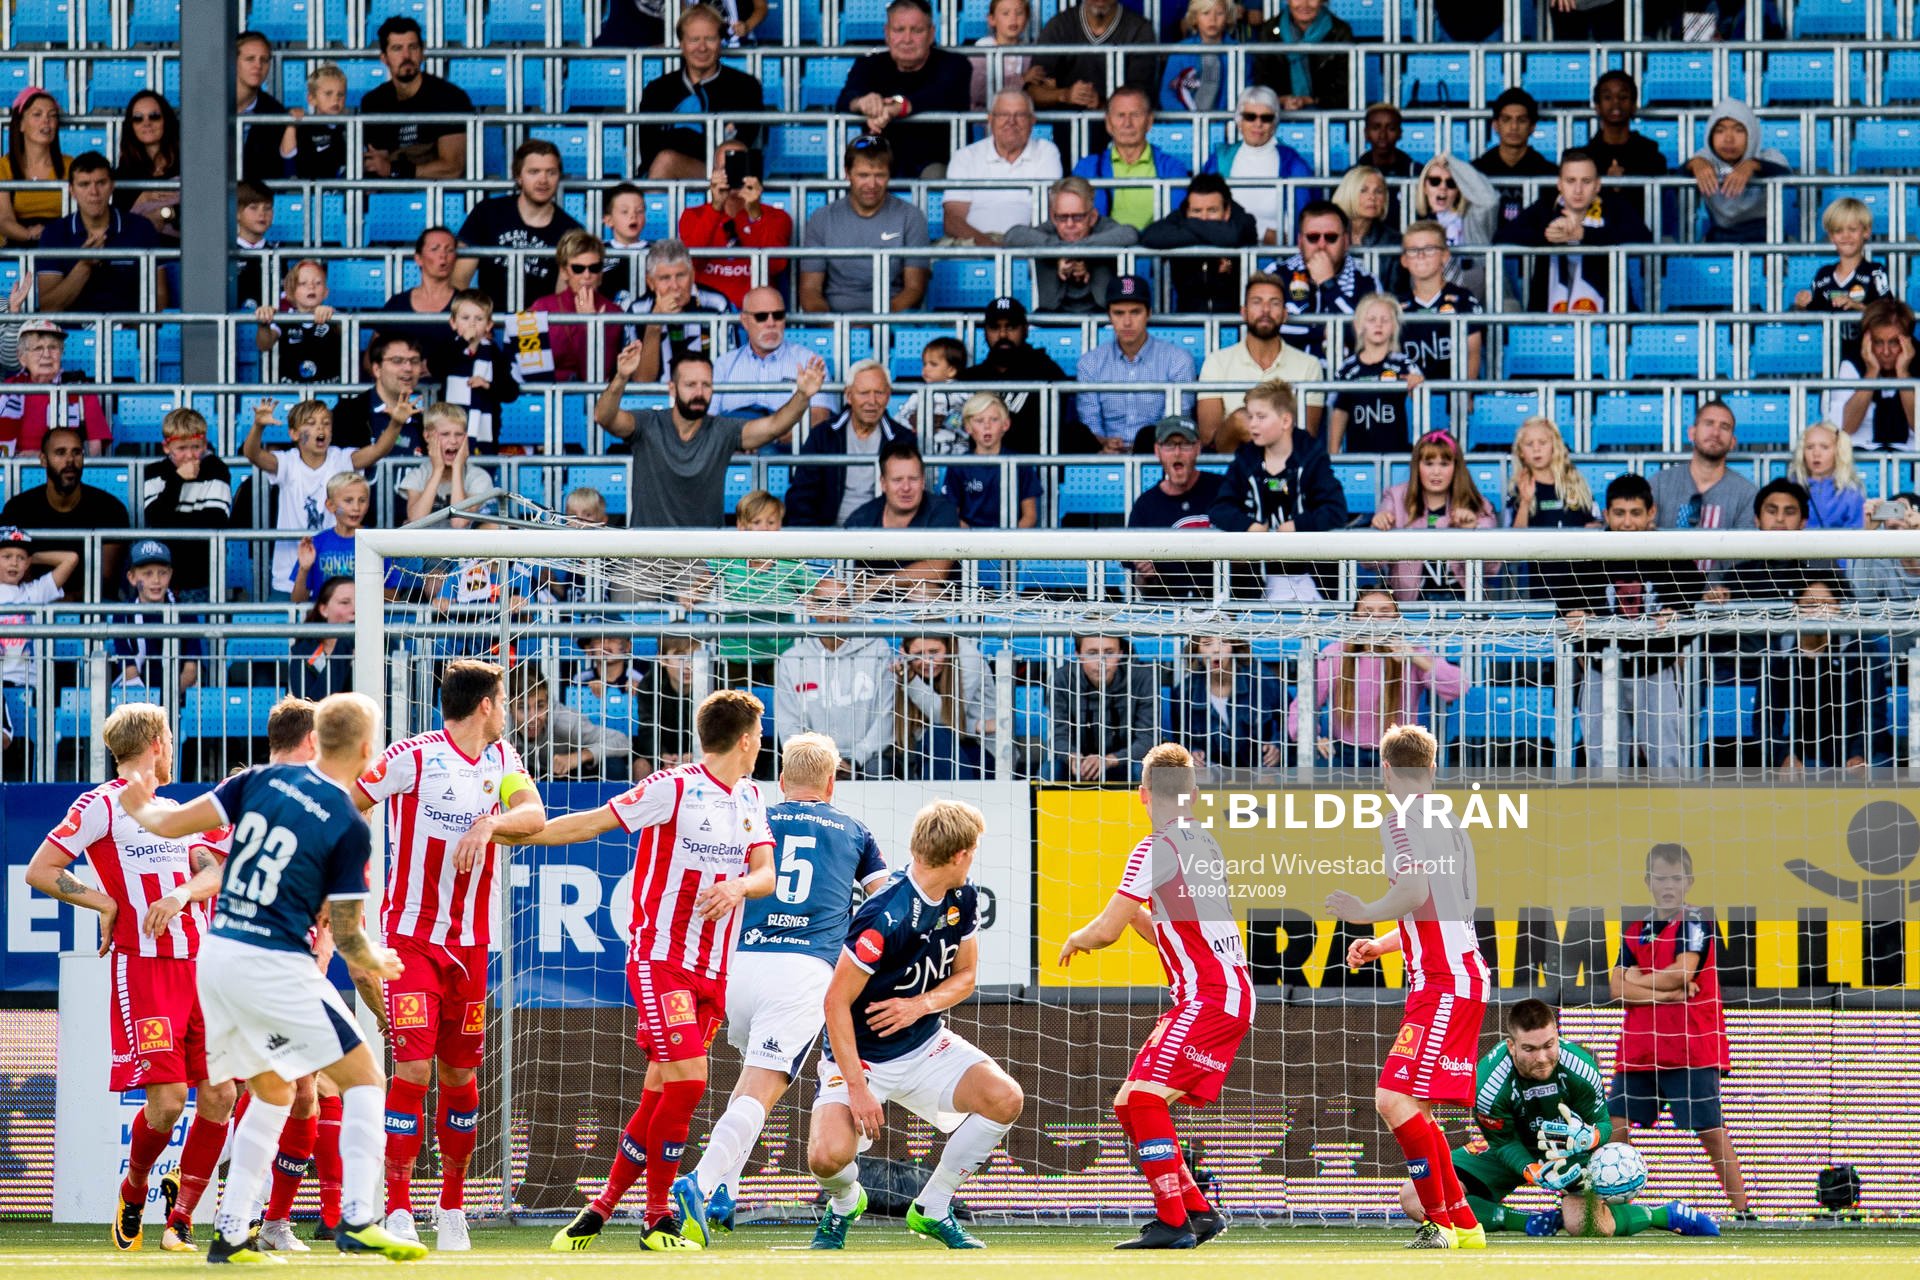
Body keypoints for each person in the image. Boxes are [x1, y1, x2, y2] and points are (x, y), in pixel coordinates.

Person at [113, 693, 428, 1263]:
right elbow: (351, 934)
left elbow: (167, 824)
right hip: (274, 962)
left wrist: (139, 807)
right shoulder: (346, 822)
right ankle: (358, 1218)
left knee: (273, 1089)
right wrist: (377, 960)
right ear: (363, 748)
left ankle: (231, 1231)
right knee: (365, 1079)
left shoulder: (253, 782)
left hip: (217, 959)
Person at [534, 690, 774, 1254]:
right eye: (759, 735)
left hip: (714, 971)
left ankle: (600, 1209)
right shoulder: (673, 786)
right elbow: (593, 822)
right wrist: (512, 832)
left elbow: (763, 873)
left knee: (660, 1094)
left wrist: (737, 884)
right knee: (689, 1082)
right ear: (744, 739)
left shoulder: (751, 796)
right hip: (660, 958)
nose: (762, 743)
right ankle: (658, 1217)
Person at [19, 702, 234, 1251]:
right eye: (169, 736)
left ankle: (181, 1219)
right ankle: (134, 1187)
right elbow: (41, 869)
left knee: (220, 1094)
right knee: (167, 1103)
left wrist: (183, 891)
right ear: (158, 742)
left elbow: (214, 872)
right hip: (144, 968)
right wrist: (104, 903)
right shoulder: (101, 805)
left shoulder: (173, 810)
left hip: (202, 969)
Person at [352, 661, 547, 1248]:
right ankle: (397, 1208)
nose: (508, 708)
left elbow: (534, 816)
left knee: (460, 1073)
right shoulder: (412, 755)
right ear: (485, 704)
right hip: (411, 939)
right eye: (504, 698)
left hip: (472, 944)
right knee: (411, 1069)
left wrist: (490, 824)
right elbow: (351, 798)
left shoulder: (503, 760)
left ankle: (453, 1207)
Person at [670, 732, 894, 1240]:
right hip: (801, 971)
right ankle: (701, 1182)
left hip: (738, 966)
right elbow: (886, 901)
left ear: (781, 780)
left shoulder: (757, 817)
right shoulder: (856, 830)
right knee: (762, 1090)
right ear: (832, 783)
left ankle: (726, 1187)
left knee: (749, 1083)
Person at [804, 800, 1022, 1251]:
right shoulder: (885, 915)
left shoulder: (962, 896)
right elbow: (834, 1002)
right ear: (960, 854)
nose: (974, 858)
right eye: (975, 849)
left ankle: (932, 1208)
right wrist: (859, 1088)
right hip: (862, 1057)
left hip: (924, 1047)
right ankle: (845, 1203)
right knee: (826, 1158)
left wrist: (918, 1005)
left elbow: (966, 978)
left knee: (1006, 1098)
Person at [1058, 741, 1247, 1248]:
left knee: (1143, 1100)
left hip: (1210, 994)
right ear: (1195, 793)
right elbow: (1165, 927)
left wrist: (1080, 936)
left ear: (1142, 795)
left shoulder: (1157, 846)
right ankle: (1198, 1212)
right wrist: (1132, 913)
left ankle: (1172, 1223)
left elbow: (1105, 933)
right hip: (1217, 993)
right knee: (1130, 1102)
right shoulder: (1203, 842)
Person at [1326, 723, 1491, 1250]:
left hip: (1445, 983)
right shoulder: (1454, 825)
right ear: (1433, 768)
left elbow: (1414, 889)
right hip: (1452, 977)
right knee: (1413, 1108)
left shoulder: (1400, 821)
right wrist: (1381, 943)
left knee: (1392, 1100)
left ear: (1387, 770)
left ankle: (1441, 1222)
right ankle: (1462, 1224)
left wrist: (1365, 913)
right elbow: (1442, 910)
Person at [1406, 999, 1719, 1239]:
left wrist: (1588, 1138)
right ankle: (1527, 1221)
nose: (1542, 1057)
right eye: (1529, 1049)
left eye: (1548, 1045)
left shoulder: (1581, 1067)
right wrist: (1533, 1171)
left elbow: (1605, 1125)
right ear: (1511, 1046)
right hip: (1511, 1149)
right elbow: (1502, 1142)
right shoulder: (1487, 1082)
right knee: (1413, 1196)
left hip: (1569, 1150)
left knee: (1586, 1226)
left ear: (1557, 1035)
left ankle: (1661, 1214)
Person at [1608, 843, 1752, 1219]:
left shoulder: (1696, 920)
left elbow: (1683, 973)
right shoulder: (1635, 929)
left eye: (1675, 878)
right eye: (1660, 878)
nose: (1667, 885)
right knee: (1615, 1127)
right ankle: (1611, 1205)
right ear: (1647, 882)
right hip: (1640, 1047)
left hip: (1690, 1047)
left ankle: (1744, 1211)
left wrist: (1646, 982)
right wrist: (1669, 993)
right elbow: (1616, 988)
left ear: (1688, 881)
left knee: (1709, 1129)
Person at [1554, 474, 1707, 770]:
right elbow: (1567, 606)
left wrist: (1678, 615)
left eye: (1635, 513)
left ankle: (1672, 814)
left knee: (1666, 756)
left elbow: (1691, 602)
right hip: (1601, 669)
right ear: (1606, 514)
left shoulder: (1672, 556)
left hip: (1656, 668)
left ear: (1651, 513)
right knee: (1601, 759)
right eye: (1619, 514)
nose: (1627, 522)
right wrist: (1576, 619)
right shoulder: (1587, 556)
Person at [599, 346, 820, 528]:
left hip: (703, 558)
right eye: (690, 385)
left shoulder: (722, 430)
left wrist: (802, 396)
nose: (699, 392)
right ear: (672, 388)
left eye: (706, 385)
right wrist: (621, 377)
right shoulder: (648, 423)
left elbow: (774, 426)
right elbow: (604, 417)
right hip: (644, 555)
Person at [244, 397, 406, 600]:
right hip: (289, 577)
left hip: (334, 577)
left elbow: (377, 451)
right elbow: (253, 455)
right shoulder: (288, 462)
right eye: (311, 424)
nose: (320, 428)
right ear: (293, 433)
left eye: (326, 423)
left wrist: (396, 423)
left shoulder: (342, 458)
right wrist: (258, 427)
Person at [1288, 588, 1465, 767]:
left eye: (1385, 611)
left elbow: (1459, 686)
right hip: (1346, 754)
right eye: (1367, 612)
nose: (1376, 618)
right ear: (1355, 618)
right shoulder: (1336, 653)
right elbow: (1304, 703)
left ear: (1397, 618)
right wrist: (1312, 738)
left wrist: (1414, 657)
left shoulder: (1412, 651)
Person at [1209, 379, 1347, 601]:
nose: (1252, 424)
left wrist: (1298, 526)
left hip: (1312, 575)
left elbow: (1336, 510)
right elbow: (1219, 508)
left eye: (1261, 417)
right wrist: (1248, 526)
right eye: (1250, 416)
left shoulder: (1312, 456)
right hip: (1257, 580)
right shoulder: (1244, 459)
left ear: (1285, 420)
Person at [686, 489, 818, 681]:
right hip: (736, 655)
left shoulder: (789, 561)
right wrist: (694, 592)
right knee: (730, 707)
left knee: (786, 702)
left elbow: (815, 587)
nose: (765, 528)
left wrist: (813, 598)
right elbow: (706, 579)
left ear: (780, 525)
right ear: (741, 526)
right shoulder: (730, 558)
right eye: (757, 522)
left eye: (771, 522)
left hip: (779, 655)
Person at [836, 0, 972, 179]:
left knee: (937, 177)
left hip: (934, 163)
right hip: (881, 162)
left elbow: (941, 95)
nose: (907, 39)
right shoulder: (869, 64)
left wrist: (898, 107)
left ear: (931, 34)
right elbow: (844, 100)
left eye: (916, 31)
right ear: (887, 34)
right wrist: (863, 103)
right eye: (899, 30)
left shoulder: (955, 64)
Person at [774, 584, 897, 777]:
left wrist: (855, 759)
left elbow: (886, 715)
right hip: (812, 762)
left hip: (867, 760)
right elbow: (789, 725)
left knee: (879, 767)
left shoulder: (877, 649)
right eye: (825, 603)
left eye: (841, 603)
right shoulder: (792, 659)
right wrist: (819, 761)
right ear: (811, 608)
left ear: (851, 607)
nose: (834, 613)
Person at [1762, 576, 1884, 770]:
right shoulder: (1781, 652)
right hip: (1799, 754)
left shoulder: (1861, 649)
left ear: (1839, 608)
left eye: (1827, 604)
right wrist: (1784, 756)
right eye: (1810, 604)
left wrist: (1860, 754)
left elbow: (1873, 713)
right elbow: (1766, 717)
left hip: (1855, 750)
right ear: (1796, 608)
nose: (1818, 611)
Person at [798, 137, 930, 315]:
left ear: (889, 174)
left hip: (892, 322)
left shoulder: (911, 216)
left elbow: (914, 289)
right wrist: (833, 326)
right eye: (863, 175)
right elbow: (809, 289)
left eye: (880, 175)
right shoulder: (822, 218)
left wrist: (875, 324)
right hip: (835, 321)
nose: (872, 184)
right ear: (848, 173)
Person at [1196, 274, 1326, 450]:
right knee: (1240, 419)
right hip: (1233, 465)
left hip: (1288, 465)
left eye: (1274, 303)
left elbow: (1307, 434)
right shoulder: (1216, 362)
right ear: (1244, 312)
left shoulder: (1309, 365)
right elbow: (1209, 437)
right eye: (1257, 302)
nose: (1265, 310)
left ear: (1284, 314)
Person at [453, 139, 582, 313]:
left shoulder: (571, 231)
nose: (543, 180)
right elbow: (459, 280)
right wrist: (474, 320)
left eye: (551, 172)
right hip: (487, 322)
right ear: (518, 176)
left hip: (540, 326)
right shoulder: (487, 212)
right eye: (534, 172)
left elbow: (562, 298)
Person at [637, 4, 764, 180]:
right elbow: (649, 152)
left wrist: (679, 138)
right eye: (694, 40)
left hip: (728, 178)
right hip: (663, 175)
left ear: (721, 42)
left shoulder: (745, 86)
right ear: (681, 44)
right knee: (664, 162)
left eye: (710, 39)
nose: (702, 48)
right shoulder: (657, 90)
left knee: (667, 160)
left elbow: (738, 149)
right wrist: (706, 139)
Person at [0, 427, 131, 598]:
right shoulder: (18, 508)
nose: (70, 460)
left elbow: (107, 580)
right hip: (31, 606)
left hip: (92, 610)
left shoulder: (110, 508)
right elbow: (14, 572)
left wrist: (67, 604)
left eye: (76, 452)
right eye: (60, 453)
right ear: (43, 460)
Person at [1368, 431, 1498, 599]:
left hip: (1464, 606)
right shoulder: (1395, 497)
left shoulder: (1475, 502)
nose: (1436, 472)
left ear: (1456, 467)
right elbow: (1370, 564)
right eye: (1429, 463)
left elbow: (1492, 569)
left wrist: (1476, 528)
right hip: (1411, 608)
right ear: (1417, 466)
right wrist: (1378, 528)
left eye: (1444, 464)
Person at [785, 360, 916, 527]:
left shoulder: (902, 439)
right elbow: (802, 496)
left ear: (889, 396)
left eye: (879, 393)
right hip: (829, 536)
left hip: (881, 537)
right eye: (863, 393)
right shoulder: (824, 435)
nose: (872, 401)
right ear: (849, 396)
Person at [35, 153, 168, 313]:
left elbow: (160, 297)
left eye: (101, 183)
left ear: (112, 185)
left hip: (129, 333)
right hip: (69, 334)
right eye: (84, 184)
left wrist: (135, 330)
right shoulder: (54, 233)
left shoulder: (141, 228)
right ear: (71, 190)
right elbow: (48, 308)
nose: (94, 192)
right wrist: (84, 266)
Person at [1077, 275, 1197, 452]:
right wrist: (1105, 444)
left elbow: (1174, 425)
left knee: (1150, 435)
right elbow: (1089, 424)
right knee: (1075, 433)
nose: (1127, 322)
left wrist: (1140, 447)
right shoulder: (1090, 363)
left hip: (1157, 453)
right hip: (1104, 452)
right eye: (1119, 313)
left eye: (1135, 312)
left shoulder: (1177, 359)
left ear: (1148, 313)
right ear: (1109, 315)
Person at [955, 295, 1087, 453]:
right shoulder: (971, 379)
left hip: (1031, 468)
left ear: (1025, 329)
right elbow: (957, 427)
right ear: (985, 332)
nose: (1003, 335)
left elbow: (1050, 431)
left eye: (1011, 327)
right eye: (995, 328)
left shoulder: (1046, 372)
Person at [1003, 176, 1138, 314]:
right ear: (1053, 217)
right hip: (1050, 317)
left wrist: (1081, 254)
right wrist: (1059, 254)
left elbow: (1130, 234)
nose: (1069, 224)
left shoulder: (1104, 227)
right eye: (1062, 217)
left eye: (1078, 217)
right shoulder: (1048, 230)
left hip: (1103, 316)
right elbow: (1012, 236)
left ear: (1092, 217)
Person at [942, 90, 1061, 246]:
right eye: (1003, 114)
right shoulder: (965, 156)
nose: (1011, 121)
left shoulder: (1046, 152)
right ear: (990, 119)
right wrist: (992, 247)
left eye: (1020, 115)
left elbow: (1050, 210)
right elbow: (953, 220)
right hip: (975, 243)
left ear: (1032, 121)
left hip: (1027, 243)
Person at [360, 16, 472, 181]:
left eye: (412, 47)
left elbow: (453, 168)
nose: (406, 56)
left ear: (422, 53)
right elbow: (377, 164)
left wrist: (394, 169)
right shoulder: (373, 101)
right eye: (397, 48)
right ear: (384, 58)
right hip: (390, 196)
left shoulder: (450, 97)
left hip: (438, 194)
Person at [678, 145, 791, 307]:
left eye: (740, 166)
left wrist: (755, 215)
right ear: (713, 174)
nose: (733, 174)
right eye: (726, 168)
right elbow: (691, 263)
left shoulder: (778, 217)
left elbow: (774, 266)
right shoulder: (693, 216)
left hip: (757, 319)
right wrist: (715, 208)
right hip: (707, 314)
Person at [842, 442, 962, 595]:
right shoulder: (861, 518)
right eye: (897, 480)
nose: (906, 488)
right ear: (883, 483)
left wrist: (877, 583)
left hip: (932, 609)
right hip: (873, 609)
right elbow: (849, 575)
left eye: (913, 479)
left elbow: (937, 570)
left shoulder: (942, 512)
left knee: (922, 591)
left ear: (923, 481)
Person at [1200, 86, 1314, 246]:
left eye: (1266, 118)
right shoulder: (1220, 160)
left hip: (1277, 259)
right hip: (1227, 255)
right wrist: (1262, 231)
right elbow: (1203, 213)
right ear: (1239, 121)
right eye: (1250, 117)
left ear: (1274, 123)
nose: (1258, 124)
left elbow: (1303, 225)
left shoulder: (1294, 165)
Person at [1127, 414, 1224, 600]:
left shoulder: (1222, 490)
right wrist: (1146, 574)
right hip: (1168, 613)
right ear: (1158, 451)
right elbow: (1142, 588)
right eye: (1169, 445)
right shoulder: (1145, 505)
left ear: (1197, 448)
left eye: (1185, 444)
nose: (1177, 452)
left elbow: (1247, 564)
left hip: (1224, 608)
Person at [142, 407, 233, 603]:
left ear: (205, 444)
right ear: (167, 448)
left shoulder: (216, 469)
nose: (190, 455)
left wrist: (173, 522)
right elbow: (155, 519)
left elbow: (215, 522)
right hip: (163, 578)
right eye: (182, 448)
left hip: (203, 575)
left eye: (196, 447)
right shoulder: (153, 472)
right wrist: (177, 480)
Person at [1069, 88, 1190, 232]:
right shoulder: (1086, 168)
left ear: (1149, 121)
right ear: (1108, 123)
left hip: (1155, 251)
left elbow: (1175, 222)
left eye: (1135, 115)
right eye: (1120, 115)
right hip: (1103, 251)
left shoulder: (1172, 168)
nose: (1127, 123)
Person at [1271, 200, 1380, 359]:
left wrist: (1328, 284)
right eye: (1313, 237)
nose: (1321, 245)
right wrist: (1323, 331)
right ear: (1300, 241)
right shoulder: (1276, 275)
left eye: (1331, 237)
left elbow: (1369, 333)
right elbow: (1267, 328)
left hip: (1346, 378)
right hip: (1288, 374)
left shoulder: (1366, 281)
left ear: (1346, 241)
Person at [711, 286, 831, 430]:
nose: (771, 323)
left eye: (778, 315)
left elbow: (820, 416)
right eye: (761, 316)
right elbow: (708, 419)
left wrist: (772, 437)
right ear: (744, 321)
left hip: (782, 446)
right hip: (733, 445)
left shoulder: (809, 360)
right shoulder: (723, 364)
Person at [1393, 220, 1485, 407]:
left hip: (1454, 398)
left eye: (1429, 249)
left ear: (1445, 256)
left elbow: (1472, 352)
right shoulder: (1396, 306)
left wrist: (1465, 393)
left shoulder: (1463, 299)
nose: (1420, 256)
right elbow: (1392, 355)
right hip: (1410, 399)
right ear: (1404, 260)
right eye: (1413, 250)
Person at [1140, 173, 1260, 315]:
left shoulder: (1243, 222)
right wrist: (1213, 234)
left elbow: (1233, 236)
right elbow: (1150, 236)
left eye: (1212, 210)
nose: (1203, 218)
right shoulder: (1179, 217)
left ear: (1227, 212)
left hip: (1235, 321)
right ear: (1186, 211)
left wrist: (1188, 227)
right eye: (1197, 211)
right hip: (1186, 321)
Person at [1049, 635, 1157, 784]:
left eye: (1109, 652)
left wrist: (1109, 760)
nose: (1101, 661)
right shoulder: (1061, 679)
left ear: (1120, 653)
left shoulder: (1142, 678)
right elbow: (1058, 735)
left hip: (1125, 763)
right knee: (1049, 771)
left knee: (1144, 771)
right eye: (1092, 653)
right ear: (1078, 654)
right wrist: (1073, 758)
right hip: (1081, 765)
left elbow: (1147, 739)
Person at [623, 238, 732, 383]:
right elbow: (642, 381)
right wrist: (655, 323)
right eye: (665, 278)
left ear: (692, 275)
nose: (674, 286)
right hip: (656, 400)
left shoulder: (717, 304)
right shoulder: (638, 311)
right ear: (650, 282)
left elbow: (729, 372)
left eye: (681, 275)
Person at [1328, 294, 1425, 455]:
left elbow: (1421, 402)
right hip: (1357, 459)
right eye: (1371, 319)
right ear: (1358, 326)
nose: (1378, 324)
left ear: (1394, 326)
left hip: (1397, 458)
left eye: (1385, 320)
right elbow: (1339, 412)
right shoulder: (1347, 369)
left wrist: (1417, 382)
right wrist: (1333, 453)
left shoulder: (1404, 365)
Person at [0, 319, 112, 456]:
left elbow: (95, 450)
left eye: (53, 347)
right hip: (13, 473)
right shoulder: (6, 391)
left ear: (61, 353)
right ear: (22, 357)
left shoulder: (81, 390)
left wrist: (39, 457)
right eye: (38, 348)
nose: (46, 355)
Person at [1685, 98, 1790, 244]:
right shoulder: (1705, 159)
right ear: (1710, 135)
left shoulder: (1768, 156)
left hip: (1766, 235)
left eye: (1739, 130)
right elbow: (1679, 174)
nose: (1728, 139)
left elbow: (1786, 175)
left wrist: (1753, 165)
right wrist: (1694, 164)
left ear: (1751, 134)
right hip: (1721, 235)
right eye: (1720, 130)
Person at [1172, 638, 1284, 772]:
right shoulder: (1184, 692)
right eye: (1207, 643)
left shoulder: (1263, 680)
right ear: (1196, 650)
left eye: (1224, 642)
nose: (1216, 649)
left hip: (1261, 766)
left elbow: (1292, 720)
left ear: (1234, 647)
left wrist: (1278, 744)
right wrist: (1192, 752)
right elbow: (1182, 738)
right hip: (1212, 769)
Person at [890, 635, 994, 780]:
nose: (927, 661)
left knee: (935, 735)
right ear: (906, 654)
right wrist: (976, 726)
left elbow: (946, 718)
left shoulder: (969, 659)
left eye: (934, 652)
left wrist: (911, 681)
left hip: (984, 754)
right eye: (918, 654)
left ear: (949, 646)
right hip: (935, 752)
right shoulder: (903, 667)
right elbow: (919, 732)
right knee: (931, 749)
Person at [1027, 0, 1156, 115]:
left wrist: (1100, 104)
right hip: (1065, 125)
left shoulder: (1139, 29)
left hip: (1117, 122)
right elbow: (1032, 93)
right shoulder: (1059, 25)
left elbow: (1141, 98)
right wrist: (1065, 95)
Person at [506, 663, 632, 782]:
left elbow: (623, 741)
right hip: (523, 779)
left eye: (540, 706)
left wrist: (578, 757)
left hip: (567, 778)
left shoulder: (564, 720)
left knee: (614, 766)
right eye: (522, 708)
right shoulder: (502, 726)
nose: (532, 717)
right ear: (510, 708)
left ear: (548, 703)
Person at [1650, 400, 1757, 534]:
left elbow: (1743, 549)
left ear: (1732, 442)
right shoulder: (1660, 483)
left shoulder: (1746, 494)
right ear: (1692, 433)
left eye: (1724, 427)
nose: (1715, 433)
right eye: (1709, 424)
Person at [531, 229, 624, 384]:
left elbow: (599, 374)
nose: (587, 275)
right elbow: (530, 371)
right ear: (564, 271)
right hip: (548, 397)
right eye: (578, 269)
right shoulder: (542, 307)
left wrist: (589, 328)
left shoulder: (613, 312)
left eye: (594, 268)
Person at [1794, 197, 1894, 337]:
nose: (1846, 236)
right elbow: (1810, 319)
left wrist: (1857, 307)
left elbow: (1890, 315)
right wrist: (1801, 305)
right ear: (1831, 236)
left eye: (1852, 229)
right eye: (1838, 231)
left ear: (1866, 232)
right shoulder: (1824, 274)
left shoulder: (1875, 272)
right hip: (1830, 350)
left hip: (1867, 353)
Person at [1826, 297, 1917, 451]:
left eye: (1894, 342)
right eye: (1878, 342)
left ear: (1907, 341)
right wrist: (1871, 373)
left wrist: (1903, 374)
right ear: (1867, 340)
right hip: (1861, 455)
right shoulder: (1852, 363)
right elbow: (1845, 427)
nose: (1886, 352)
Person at [110, 539, 203, 690]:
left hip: (177, 694)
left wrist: (168, 699)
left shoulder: (185, 612)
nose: (156, 580)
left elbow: (190, 670)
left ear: (170, 575)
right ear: (132, 578)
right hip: (138, 696)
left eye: (163, 573)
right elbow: (129, 671)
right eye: (147, 574)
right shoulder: (122, 615)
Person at [1408, 156, 1499, 298]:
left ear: (1459, 190)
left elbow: (1490, 200)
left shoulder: (1473, 218)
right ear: (1424, 187)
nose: (1443, 187)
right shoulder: (1416, 224)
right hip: (1433, 296)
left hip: (1479, 294)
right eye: (1435, 181)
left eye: (1451, 183)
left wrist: (1452, 162)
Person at [946, 392, 1042, 528]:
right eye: (979, 421)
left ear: (1006, 424)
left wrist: (1009, 541)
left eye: (994, 419)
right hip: (970, 543)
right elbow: (952, 515)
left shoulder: (1020, 464)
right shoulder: (958, 466)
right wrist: (973, 540)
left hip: (1010, 543)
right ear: (968, 427)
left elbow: (1030, 516)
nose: (987, 426)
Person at [375, 228, 460, 378]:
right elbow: (371, 360)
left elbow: (481, 353)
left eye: (450, 250)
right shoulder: (397, 304)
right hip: (403, 394)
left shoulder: (467, 304)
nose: (443, 255)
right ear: (418, 258)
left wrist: (437, 366)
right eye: (435, 249)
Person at [400, 402, 499, 526]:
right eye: (445, 434)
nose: (453, 441)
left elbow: (459, 523)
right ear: (427, 436)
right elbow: (416, 521)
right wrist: (437, 470)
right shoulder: (417, 475)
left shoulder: (478, 477)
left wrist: (457, 468)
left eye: (459, 434)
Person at [0, 527, 76, 685]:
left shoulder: (34, 592)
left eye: (20, 558)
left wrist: (32, 557)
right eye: (7, 557)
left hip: (28, 682)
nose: (14, 563)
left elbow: (71, 559)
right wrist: (23, 554)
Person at [1474, 88, 1558, 229]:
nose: (1514, 127)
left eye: (1522, 120)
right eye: (1506, 119)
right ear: (1495, 125)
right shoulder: (1477, 170)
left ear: (1532, 126)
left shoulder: (1549, 173)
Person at [1252, 0, 1354, 111]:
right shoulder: (1269, 30)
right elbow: (1262, 82)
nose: (1305, 4)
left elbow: (1345, 89)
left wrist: (1311, 101)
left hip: (1328, 112)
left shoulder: (1340, 32)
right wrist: (1282, 100)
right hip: (1278, 112)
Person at [331, 332, 425, 451]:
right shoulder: (348, 413)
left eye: (414, 361)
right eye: (397, 360)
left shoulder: (423, 422)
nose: (408, 368)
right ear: (377, 369)